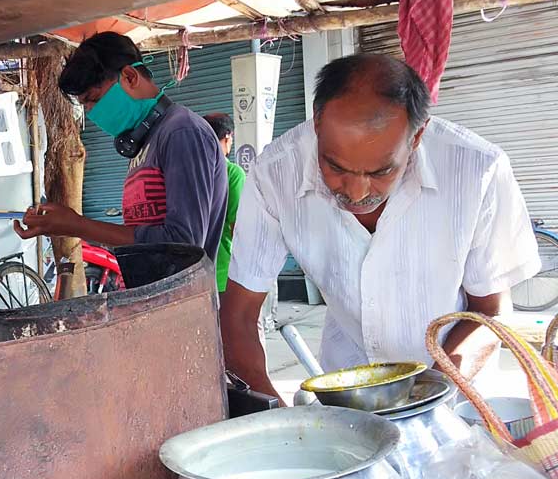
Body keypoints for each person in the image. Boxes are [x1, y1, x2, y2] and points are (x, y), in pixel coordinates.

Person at [221, 54, 540, 399]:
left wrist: (427, 400)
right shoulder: (275, 175)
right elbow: (238, 316)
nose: (356, 193)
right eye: (335, 166)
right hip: (346, 385)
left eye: (380, 172)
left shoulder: (478, 171)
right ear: (317, 123)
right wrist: (279, 422)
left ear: (416, 138)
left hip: (457, 393)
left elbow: (490, 311)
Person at [13, 32, 227, 262]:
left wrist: (79, 226)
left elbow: (184, 243)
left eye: (93, 99)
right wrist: (71, 225)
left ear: (129, 77)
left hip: (185, 297)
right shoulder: (147, 141)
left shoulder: (182, 132)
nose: (91, 112)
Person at [204, 113, 246, 293]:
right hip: (223, 273)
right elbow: (238, 227)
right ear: (228, 136)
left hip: (192, 272)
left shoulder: (186, 173)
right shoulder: (232, 173)